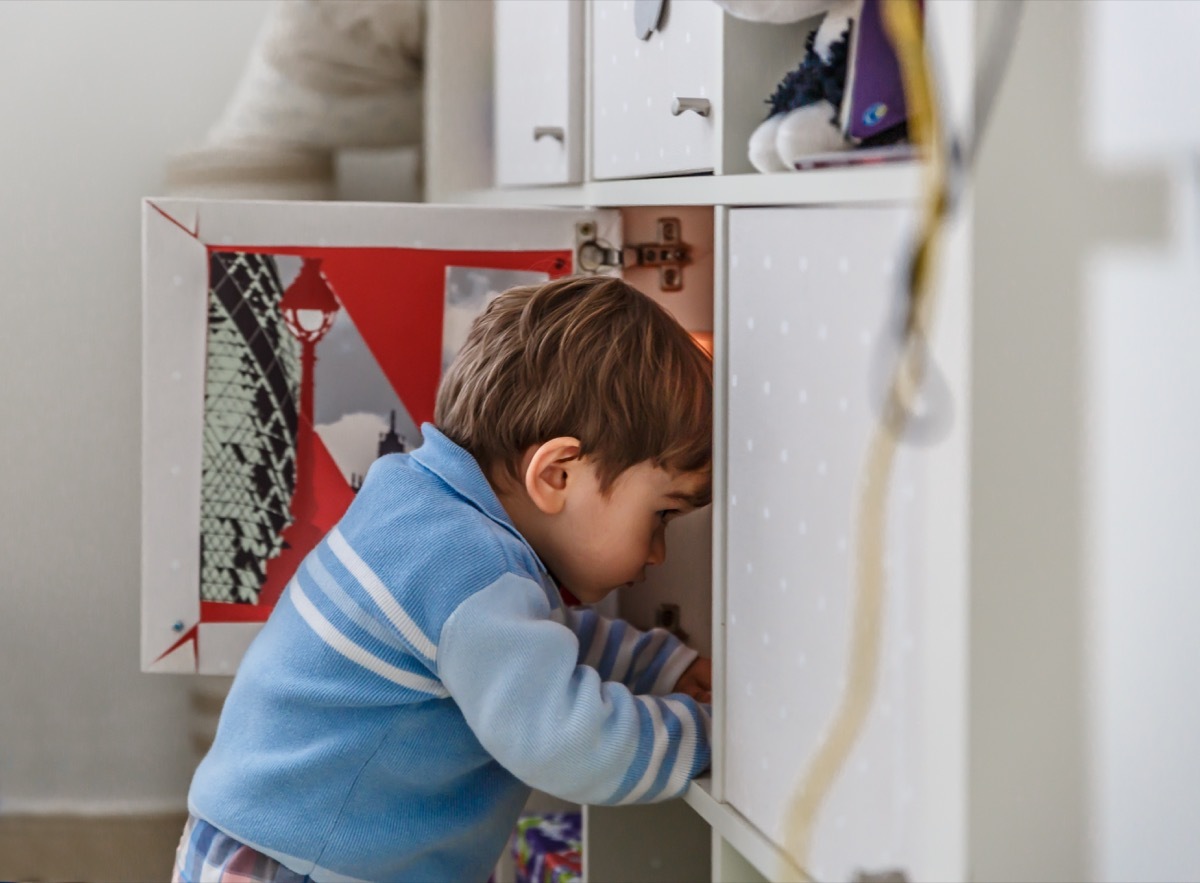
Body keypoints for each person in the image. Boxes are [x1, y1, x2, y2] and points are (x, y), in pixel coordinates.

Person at [174, 275, 715, 883]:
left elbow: (531, 649)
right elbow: (567, 743)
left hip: (266, 842)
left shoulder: (422, 505)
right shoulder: (471, 572)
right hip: (310, 866)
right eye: (662, 514)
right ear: (558, 474)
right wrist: (708, 735)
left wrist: (654, 665)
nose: (661, 554)